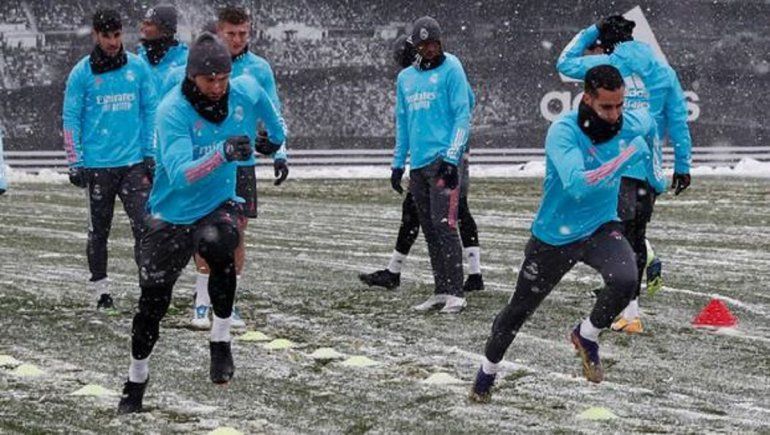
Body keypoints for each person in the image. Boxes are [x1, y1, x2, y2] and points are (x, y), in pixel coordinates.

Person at [470, 65, 664, 402]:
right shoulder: (564, 131)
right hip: (555, 236)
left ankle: (586, 335)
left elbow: (651, 121)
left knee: (626, 279)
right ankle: (486, 372)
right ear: (587, 99)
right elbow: (577, 185)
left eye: (620, 105)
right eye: (606, 106)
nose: (615, 114)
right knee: (517, 312)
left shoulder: (629, 122)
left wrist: (657, 175)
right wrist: (628, 156)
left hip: (602, 227)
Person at [117, 32, 286, 414]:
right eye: (209, 80)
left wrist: (273, 141)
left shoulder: (243, 89)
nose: (218, 87)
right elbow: (179, 175)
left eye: (223, 78)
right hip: (172, 213)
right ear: (193, 77)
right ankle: (136, 378)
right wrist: (222, 152)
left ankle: (220, 338)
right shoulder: (172, 110)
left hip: (218, 203)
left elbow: (269, 109)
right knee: (152, 306)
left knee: (221, 242)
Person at [556, 15, 693, 333]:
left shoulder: (607, 65)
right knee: (633, 234)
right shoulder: (662, 71)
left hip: (609, 165)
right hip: (645, 168)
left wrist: (591, 29)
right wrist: (683, 164)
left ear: (607, 43)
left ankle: (625, 304)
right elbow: (678, 121)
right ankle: (630, 303)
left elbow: (564, 62)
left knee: (608, 233)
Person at [187, 5, 289, 330]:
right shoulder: (201, 64)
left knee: (236, 234)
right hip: (207, 160)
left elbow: (274, 112)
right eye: (231, 33)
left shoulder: (259, 69)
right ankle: (202, 304)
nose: (237, 39)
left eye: (243, 33)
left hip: (242, 166)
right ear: (219, 31)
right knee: (204, 231)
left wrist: (279, 153)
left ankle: (227, 305)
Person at [359, 34, 484, 293]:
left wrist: (450, 142)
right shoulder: (413, 76)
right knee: (445, 213)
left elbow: (466, 104)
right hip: (435, 153)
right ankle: (469, 274)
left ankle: (463, 278)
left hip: (450, 150)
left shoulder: (447, 69)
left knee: (449, 213)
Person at [62, 9, 157, 310]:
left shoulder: (138, 68)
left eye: (118, 35)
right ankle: (101, 291)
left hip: (133, 165)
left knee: (144, 227)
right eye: (107, 36)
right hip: (97, 167)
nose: (114, 42)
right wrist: (74, 160)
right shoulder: (81, 73)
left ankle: (148, 287)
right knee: (99, 231)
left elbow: (150, 111)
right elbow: (70, 118)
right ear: (96, 35)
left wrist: (150, 153)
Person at [391, 17, 473, 314]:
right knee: (428, 228)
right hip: (419, 165)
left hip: (443, 161)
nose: (429, 49)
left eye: (434, 43)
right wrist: (398, 163)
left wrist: (453, 159)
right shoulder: (405, 79)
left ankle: (457, 293)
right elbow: (403, 122)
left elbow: (463, 114)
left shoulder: (452, 67)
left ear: (441, 43)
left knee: (445, 225)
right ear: (415, 46)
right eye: (423, 44)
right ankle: (440, 290)